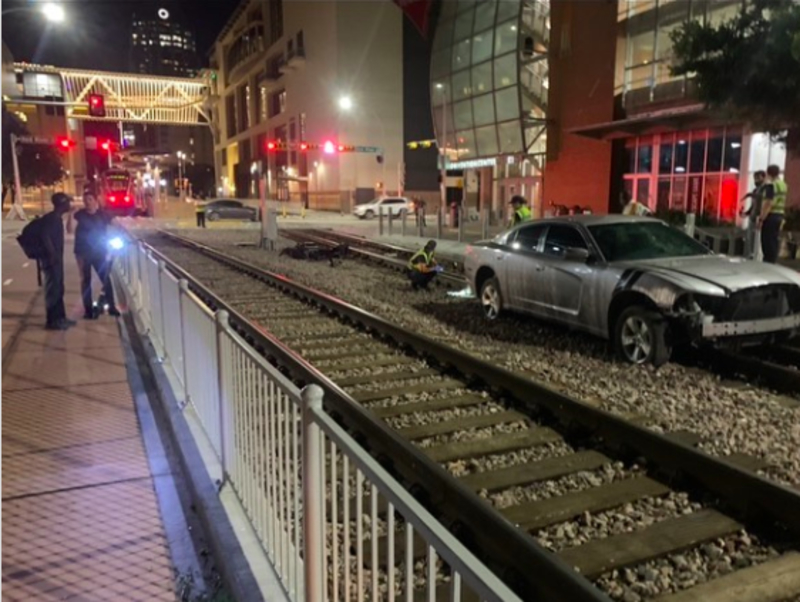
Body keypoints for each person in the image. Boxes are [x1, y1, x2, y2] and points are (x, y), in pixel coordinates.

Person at [71, 193, 119, 319]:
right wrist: (71, 215)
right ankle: (88, 311)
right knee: (85, 280)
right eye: (85, 200)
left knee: (105, 278)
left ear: (95, 200)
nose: (87, 202)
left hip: (99, 252)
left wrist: (119, 236)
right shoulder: (79, 214)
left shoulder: (103, 214)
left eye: (90, 199)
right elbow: (70, 229)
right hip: (82, 252)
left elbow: (116, 224)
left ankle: (112, 307)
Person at [41, 193, 75, 330]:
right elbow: (45, 237)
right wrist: (52, 254)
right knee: (53, 289)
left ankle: (60, 317)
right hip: (51, 260)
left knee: (59, 288)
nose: (69, 205)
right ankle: (52, 321)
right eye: (67, 202)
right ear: (62, 204)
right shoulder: (51, 219)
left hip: (56, 259)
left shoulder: (57, 218)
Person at [760, 164, 787, 264]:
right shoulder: (783, 184)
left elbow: (768, 203)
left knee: (767, 242)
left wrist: (761, 218)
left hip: (770, 216)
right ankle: (772, 262)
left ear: (768, 173)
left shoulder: (771, 185)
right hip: (779, 216)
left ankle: (768, 264)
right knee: (774, 241)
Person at [739, 170, 766, 259]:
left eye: (758, 178)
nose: (756, 180)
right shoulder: (755, 190)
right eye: (755, 178)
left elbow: (761, 199)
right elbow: (753, 205)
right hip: (752, 217)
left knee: (757, 240)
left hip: (759, 218)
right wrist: (746, 213)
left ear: (763, 178)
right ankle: (750, 255)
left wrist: (749, 195)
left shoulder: (765, 189)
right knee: (750, 239)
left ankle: (756, 256)